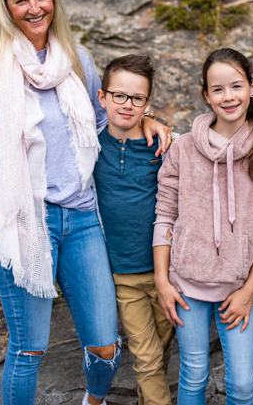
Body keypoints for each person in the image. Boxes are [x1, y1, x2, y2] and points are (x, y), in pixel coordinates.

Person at [0, 0, 172, 405]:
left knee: (105, 345)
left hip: (83, 219)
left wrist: (149, 120)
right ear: (6, 7)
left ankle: (94, 401)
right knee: (29, 347)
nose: (33, 7)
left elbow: (105, 117)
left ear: (53, 0)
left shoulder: (76, 59)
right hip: (25, 221)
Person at [154, 48, 253, 405]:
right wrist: (162, 282)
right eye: (218, 89)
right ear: (206, 95)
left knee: (243, 385)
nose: (228, 97)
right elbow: (164, 215)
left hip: (238, 288)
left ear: (252, 87)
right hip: (186, 285)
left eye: (236, 86)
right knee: (193, 373)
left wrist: (249, 290)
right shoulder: (182, 148)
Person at [93, 54, 175, 405]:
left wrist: (155, 122)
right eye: (119, 96)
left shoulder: (165, 146)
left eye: (137, 98)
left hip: (168, 274)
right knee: (146, 355)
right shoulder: (90, 146)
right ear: (102, 97)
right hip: (123, 275)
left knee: (162, 348)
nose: (127, 105)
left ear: (148, 102)